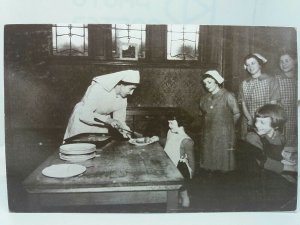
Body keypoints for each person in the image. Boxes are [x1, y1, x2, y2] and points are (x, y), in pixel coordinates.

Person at [63, 70, 140, 141]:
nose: (131, 93)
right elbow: (85, 115)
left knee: (100, 151)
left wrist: (126, 131)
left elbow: (119, 120)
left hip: (101, 125)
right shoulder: (98, 88)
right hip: (82, 123)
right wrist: (108, 120)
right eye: (131, 89)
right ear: (120, 84)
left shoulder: (123, 98)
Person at [199, 70, 240, 172]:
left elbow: (237, 114)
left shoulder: (227, 96)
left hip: (223, 134)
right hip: (209, 132)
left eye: (209, 82)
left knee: (222, 162)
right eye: (205, 83)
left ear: (216, 81)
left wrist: (228, 126)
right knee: (209, 159)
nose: (207, 85)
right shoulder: (205, 98)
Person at [239, 53, 280, 140]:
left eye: (253, 63)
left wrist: (262, 121)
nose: (250, 66)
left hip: (266, 121)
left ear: (260, 64)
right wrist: (250, 119)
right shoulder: (244, 83)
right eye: (247, 64)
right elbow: (243, 103)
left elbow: (273, 104)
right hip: (248, 121)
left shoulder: (271, 80)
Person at [163, 113, 195, 208]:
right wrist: (157, 138)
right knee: (173, 190)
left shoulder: (186, 140)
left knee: (183, 189)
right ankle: (174, 203)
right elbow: (167, 142)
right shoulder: (170, 132)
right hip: (169, 164)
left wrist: (191, 173)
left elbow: (191, 159)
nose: (169, 125)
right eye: (169, 123)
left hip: (180, 167)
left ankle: (185, 204)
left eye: (172, 123)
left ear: (181, 124)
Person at [275, 50, 298, 175]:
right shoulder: (277, 80)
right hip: (285, 124)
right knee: (286, 159)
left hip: (296, 123)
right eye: (281, 61)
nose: (284, 64)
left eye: (287, 60)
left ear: (295, 61)